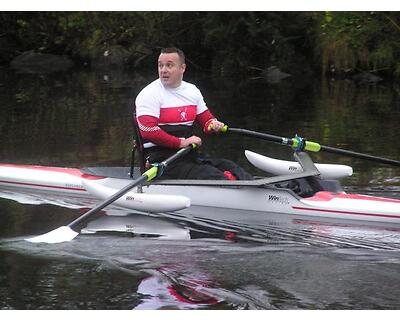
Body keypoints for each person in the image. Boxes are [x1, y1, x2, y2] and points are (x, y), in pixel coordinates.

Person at [134, 47, 252, 180]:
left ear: (182, 68)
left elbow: (207, 120)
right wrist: (180, 143)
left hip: (187, 155)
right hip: (161, 161)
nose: (163, 70)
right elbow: (147, 130)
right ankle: (231, 185)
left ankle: (255, 191)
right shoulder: (149, 94)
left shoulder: (192, 91)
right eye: (160, 65)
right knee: (215, 177)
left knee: (231, 167)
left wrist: (213, 125)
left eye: (169, 65)